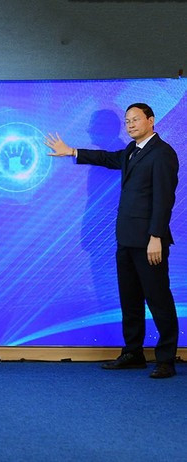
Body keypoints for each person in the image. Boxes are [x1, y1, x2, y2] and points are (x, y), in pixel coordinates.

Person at [45, 102, 179, 379]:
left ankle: (166, 359)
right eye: (127, 120)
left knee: (158, 300)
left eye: (135, 120)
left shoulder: (163, 154)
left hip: (149, 241)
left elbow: (164, 199)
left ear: (151, 121)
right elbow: (108, 159)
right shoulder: (131, 150)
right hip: (126, 239)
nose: (130, 124)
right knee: (129, 299)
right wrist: (72, 151)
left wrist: (156, 236)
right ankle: (133, 353)